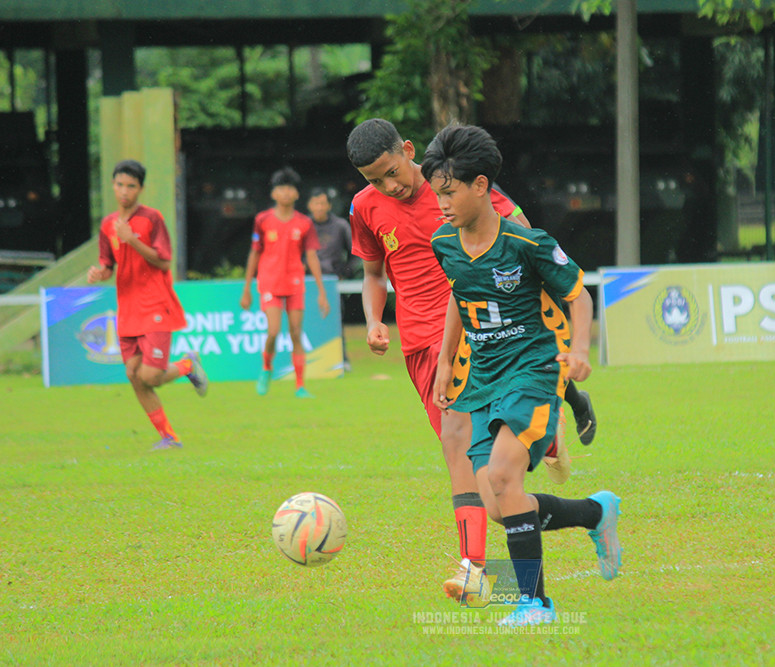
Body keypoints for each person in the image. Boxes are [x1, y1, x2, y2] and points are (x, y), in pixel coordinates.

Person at [347, 118, 578, 604]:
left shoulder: (456, 185)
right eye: (374, 180)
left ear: (407, 149)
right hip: (418, 345)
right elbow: (373, 272)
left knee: (456, 439)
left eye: (392, 172)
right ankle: (573, 484)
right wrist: (373, 319)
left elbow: (524, 239)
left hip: (476, 334)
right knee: (489, 488)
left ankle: (474, 567)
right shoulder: (364, 208)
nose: (388, 186)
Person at [426, 124, 621, 627]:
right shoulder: (443, 242)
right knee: (499, 504)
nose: (441, 204)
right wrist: (447, 360)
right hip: (482, 381)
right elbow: (458, 294)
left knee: (502, 476)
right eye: (436, 194)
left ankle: (534, 603)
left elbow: (578, 294)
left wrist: (579, 350)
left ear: (481, 186)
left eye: (448, 192)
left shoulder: (525, 241)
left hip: (532, 370)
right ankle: (595, 514)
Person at [86, 159, 208, 450]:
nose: (124, 191)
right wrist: (100, 272)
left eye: (131, 186)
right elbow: (108, 263)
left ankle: (188, 364)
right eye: (119, 185)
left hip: (154, 303)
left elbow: (164, 260)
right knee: (134, 375)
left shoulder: (151, 219)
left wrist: (132, 240)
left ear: (140, 188)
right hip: (127, 309)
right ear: (113, 186)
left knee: (151, 375)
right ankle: (169, 437)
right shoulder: (108, 225)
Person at [240, 167, 330, 398]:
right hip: (269, 283)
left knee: (296, 332)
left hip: (295, 284)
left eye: (290, 188)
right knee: (272, 331)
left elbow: (311, 256)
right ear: (274, 194)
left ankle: (300, 386)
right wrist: (247, 289)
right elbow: (255, 253)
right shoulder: (263, 220)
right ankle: (267, 368)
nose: (286, 192)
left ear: (297, 194)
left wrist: (321, 291)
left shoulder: (304, 224)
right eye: (281, 188)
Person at [307, 187, 356, 371]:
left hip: (332, 283)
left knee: (336, 321)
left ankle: (342, 360)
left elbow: (355, 253)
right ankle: (308, 360)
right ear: (309, 205)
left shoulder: (340, 226)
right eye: (316, 203)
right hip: (307, 283)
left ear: (328, 205)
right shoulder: (304, 226)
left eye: (322, 203)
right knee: (306, 321)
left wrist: (345, 272)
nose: (319, 207)